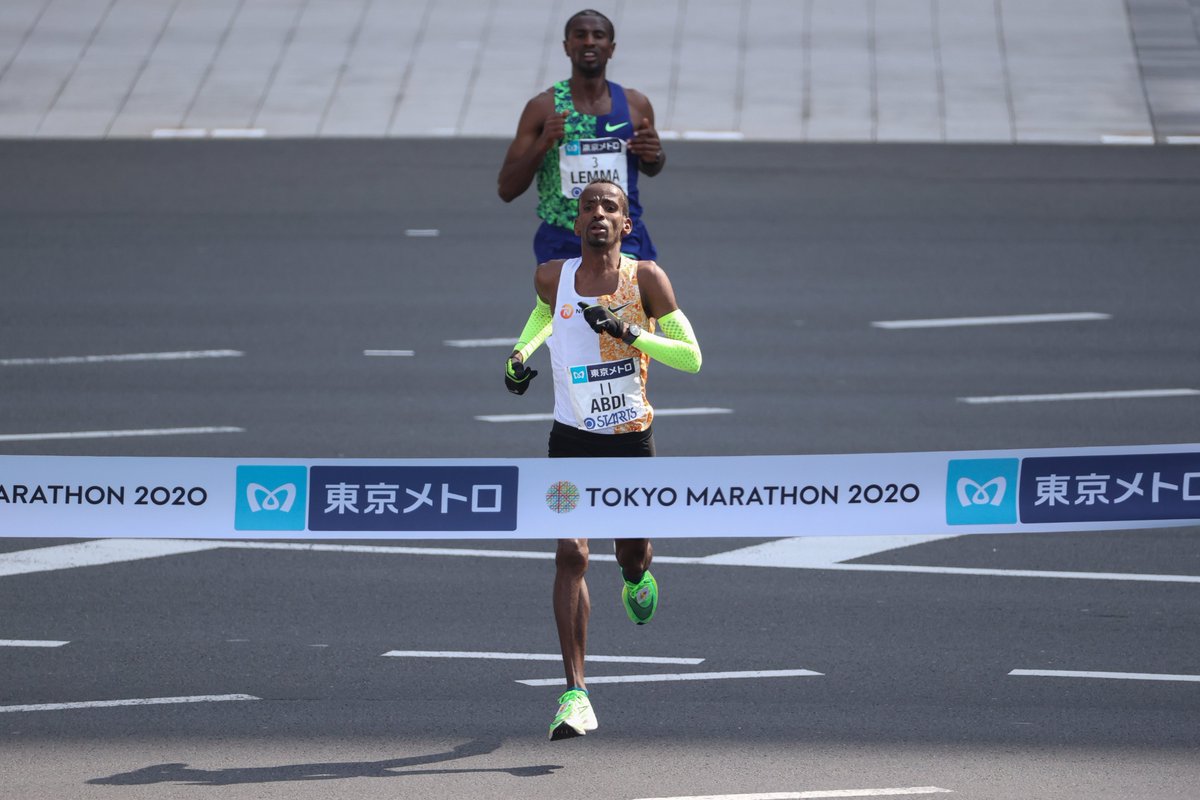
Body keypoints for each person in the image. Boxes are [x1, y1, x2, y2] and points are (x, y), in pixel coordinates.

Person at [503, 179, 702, 740]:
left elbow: (691, 357)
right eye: (588, 206)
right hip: (570, 439)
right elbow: (544, 315)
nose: (597, 213)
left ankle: (636, 578)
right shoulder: (553, 276)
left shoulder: (647, 279)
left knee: (630, 553)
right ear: (576, 224)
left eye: (609, 207)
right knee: (571, 554)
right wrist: (519, 354)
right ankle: (576, 694)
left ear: (625, 224)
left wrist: (628, 331)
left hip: (629, 440)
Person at [497, 9, 666, 264]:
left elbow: (651, 166)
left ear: (611, 48)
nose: (589, 41)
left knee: (625, 292)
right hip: (564, 241)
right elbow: (507, 189)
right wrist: (543, 144)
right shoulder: (543, 107)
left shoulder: (636, 105)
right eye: (580, 35)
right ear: (567, 47)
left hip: (623, 238)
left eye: (598, 35)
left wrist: (654, 156)